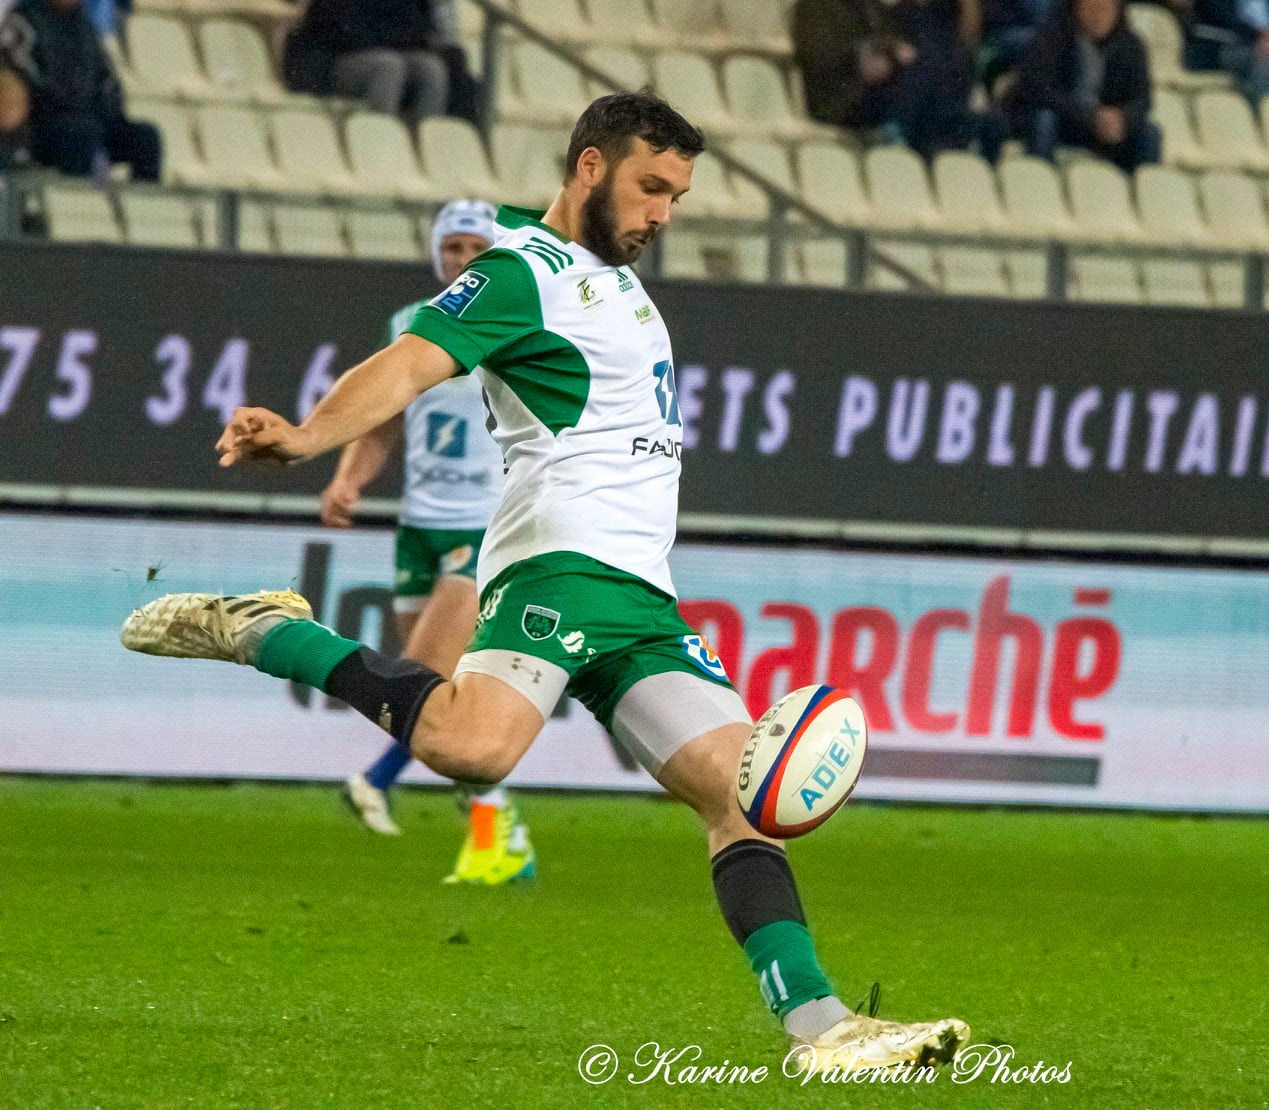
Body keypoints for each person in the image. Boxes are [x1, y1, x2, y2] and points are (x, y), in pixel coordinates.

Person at [120, 91, 970, 1075]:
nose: (662, 213)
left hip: (641, 595)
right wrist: (309, 436)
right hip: (560, 563)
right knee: (473, 750)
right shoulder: (522, 272)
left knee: (740, 799)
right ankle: (266, 629)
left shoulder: (621, 286)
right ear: (590, 167)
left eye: (677, 197)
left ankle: (820, 1028)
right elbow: (407, 365)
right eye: (650, 187)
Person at [323, 198, 535, 886]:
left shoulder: (512, 324)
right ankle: (499, 838)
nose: (462, 260)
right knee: (441, 696)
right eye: (452, 248)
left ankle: (375, 779)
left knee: (423, 675)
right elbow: (383, 419)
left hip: (484, 524)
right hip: (418, 526)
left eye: (476, 249)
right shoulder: (410, 325)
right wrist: (348, 479)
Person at [793, 0, 997, 159]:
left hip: (882, 92)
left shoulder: (873, 7)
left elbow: (891, 40)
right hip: (842, 98)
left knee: (939, 56)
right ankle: (938, 133)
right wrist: (871, 56)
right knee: (924, 68)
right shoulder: (818, 6)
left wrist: (890, 51)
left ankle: (951, 130)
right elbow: (821, 56)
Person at [0, 0, 159, 181]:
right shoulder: (23, 22)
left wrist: (107, 112)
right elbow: (18, 82)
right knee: (80, 135)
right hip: (43, 127)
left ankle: (142, 199)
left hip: (89, 123)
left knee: (145, 138)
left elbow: (106, 81)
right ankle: (76, 199)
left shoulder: (85, 27)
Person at [1009, 0, 1161, 170]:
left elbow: (1142, 100)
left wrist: (1123, 120)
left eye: (1105, 9)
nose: (1098, 16)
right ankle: (1040, 177)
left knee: (1150, 133)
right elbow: (1036, 88)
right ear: (1077, 9)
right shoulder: (1053, 37)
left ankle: (1142, 184)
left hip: (1103, 129)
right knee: (1044, 119)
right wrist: (1088, 115)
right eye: (1092, 8)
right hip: (1064, 120)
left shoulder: (1132, 45)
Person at [281, 0, 449, 123]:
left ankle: (422, 146)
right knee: (388, 66)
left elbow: (417, 28)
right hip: (329, 62)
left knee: (431, 68)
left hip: (380, 52)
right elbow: (337, 29)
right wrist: (386, 39)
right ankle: (379, 141)